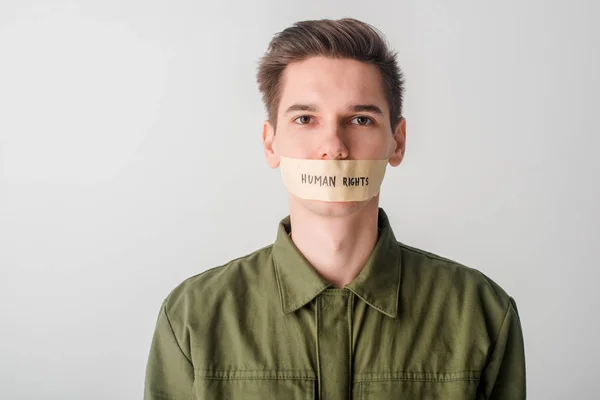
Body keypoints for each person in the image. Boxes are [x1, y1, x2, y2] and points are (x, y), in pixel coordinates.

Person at [144, 18, 526, 399]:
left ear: (397, 141)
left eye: (360, 119)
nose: (334, 146)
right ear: (270, 143)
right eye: (305, 119)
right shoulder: (192, 318)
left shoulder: (481, 313)